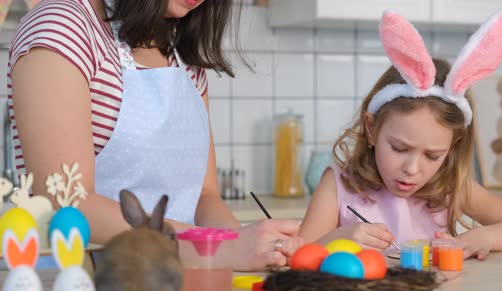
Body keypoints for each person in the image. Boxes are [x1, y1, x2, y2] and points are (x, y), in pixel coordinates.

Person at [9, 0, 301, 270]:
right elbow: (67, 199)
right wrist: (214, 248)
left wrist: (250, 245)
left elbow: (204, 196)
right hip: (83, 284)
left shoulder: (180, 52)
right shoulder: (62, 27)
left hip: (174, 281)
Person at [299, 9, 502, 260]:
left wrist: (483, 237)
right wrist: (338, 239)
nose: (412, 168)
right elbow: (299, 256)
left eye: (432, 155)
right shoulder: (340, 186)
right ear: (371, 129)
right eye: (399, 148)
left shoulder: (450, 187)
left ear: (452, 147)